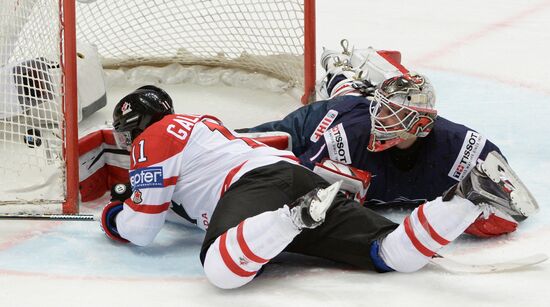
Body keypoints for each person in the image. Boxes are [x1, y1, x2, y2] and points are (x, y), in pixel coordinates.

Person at [99, 85, 533, 289]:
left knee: (222, 270)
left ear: (135, 126)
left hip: (258, 186)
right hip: (296, 174)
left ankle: (295, 217)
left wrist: (112, 216)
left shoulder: (152, 140)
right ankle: (466, 198)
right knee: (393, 254)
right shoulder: (206, 126)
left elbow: (142, 230)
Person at [237, 40, 538, 237]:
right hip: (326, 118)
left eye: (393, 114)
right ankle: (338, 72)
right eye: (381, 108)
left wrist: (474, 211)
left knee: (354, 95)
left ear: (420, 124)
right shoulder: (347, 138)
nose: (380, 118)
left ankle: (342, 72)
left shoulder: (458, 146)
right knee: (255, 144)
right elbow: (292, 184)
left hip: (353, 110)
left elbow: (515, 204)